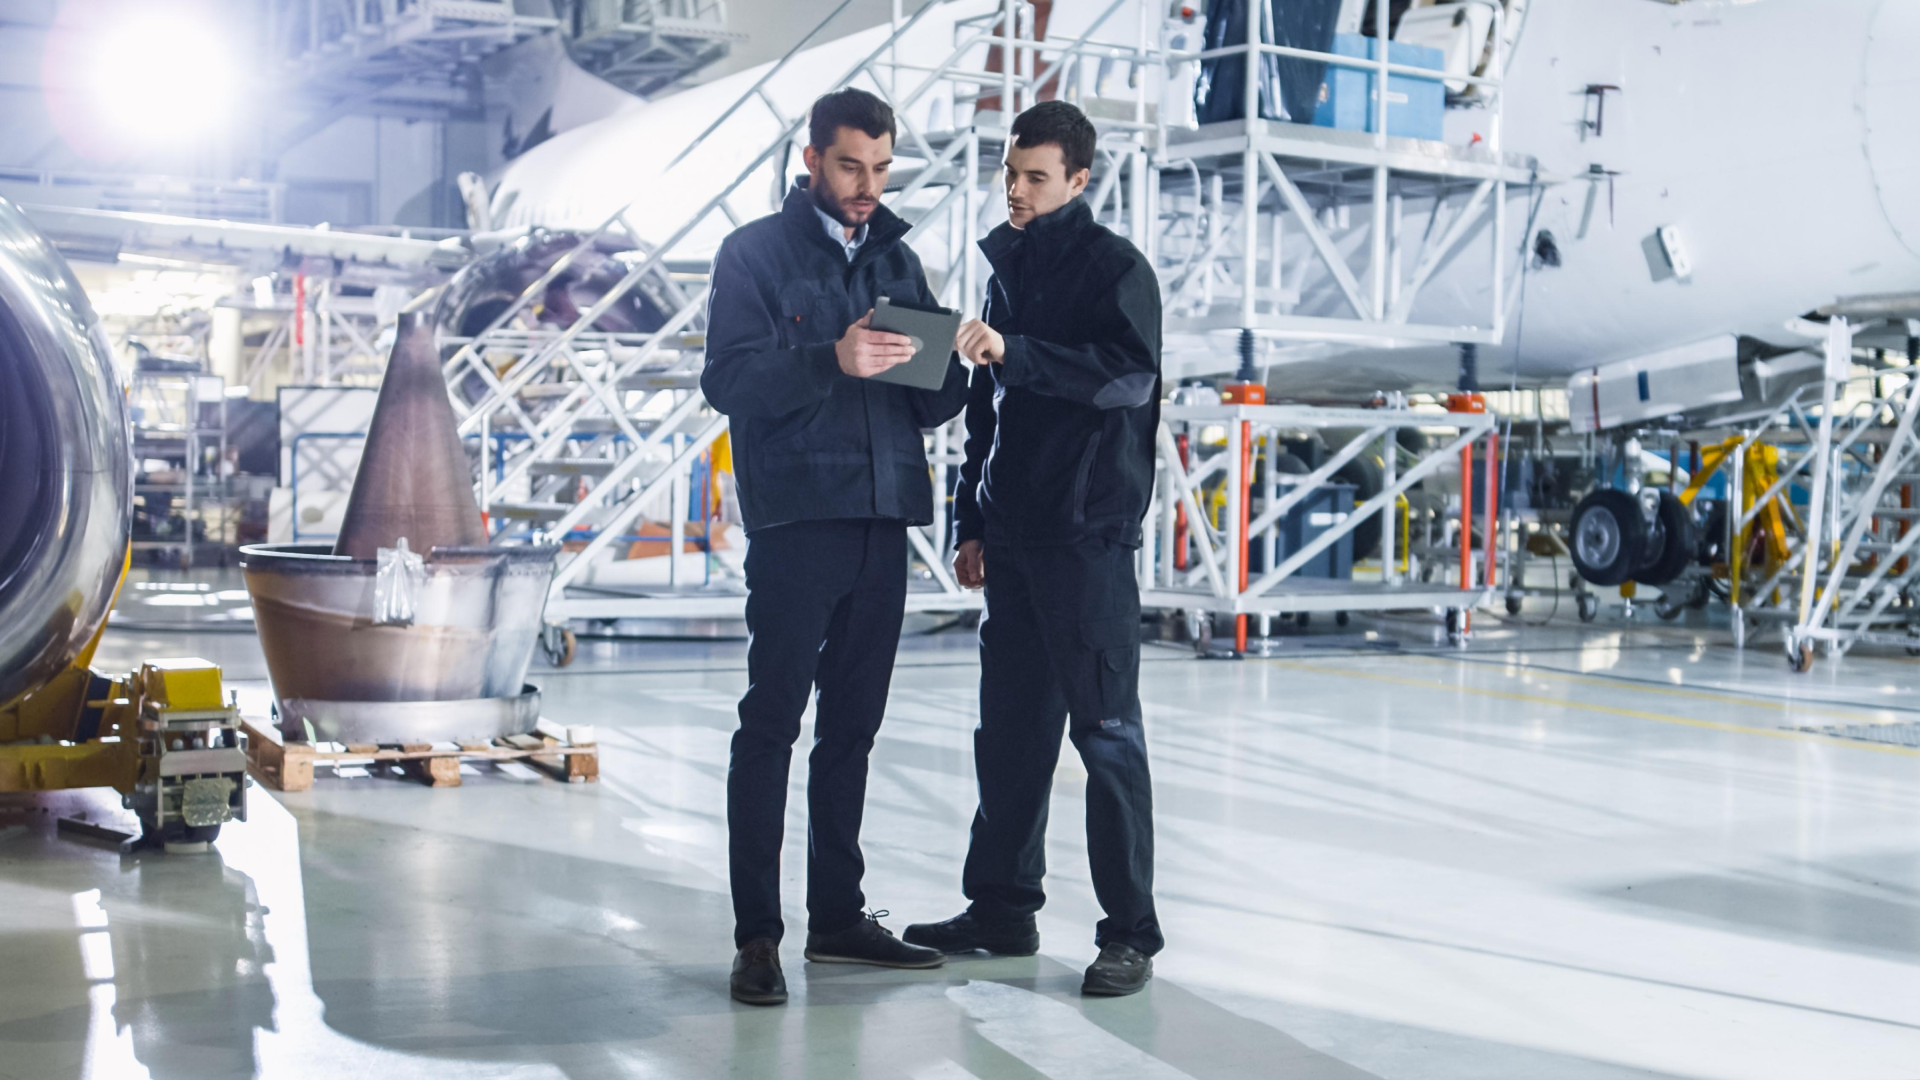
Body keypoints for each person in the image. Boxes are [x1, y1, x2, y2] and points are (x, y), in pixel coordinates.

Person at [700, 87, 968, 1006]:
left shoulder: (896, 253)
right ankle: (757, 938)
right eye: (851, 166)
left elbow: (932, 404)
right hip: (797, 523)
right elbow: (727, 380)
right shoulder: (755, 256)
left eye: (882, 169)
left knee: (852, 730)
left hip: (883, 520)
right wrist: (831, 359)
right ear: (811, 158)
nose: (867, 185)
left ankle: (840, 920)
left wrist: (953, 360)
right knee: (771, 724)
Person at [903, 101, 1165, 997]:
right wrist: (971, 521)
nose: (1016, 190)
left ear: (1079, 181)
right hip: (1013, 539)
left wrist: (1017, 349)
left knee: (1105, 738)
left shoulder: (1115, 269)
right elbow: (989, 406)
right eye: (1011, 173)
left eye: (1036, 177)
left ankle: (1130, 933)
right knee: (1009, 736)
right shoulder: (1005, 269)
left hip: (1086, 542)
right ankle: (1002, 909)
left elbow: (1125, 376)